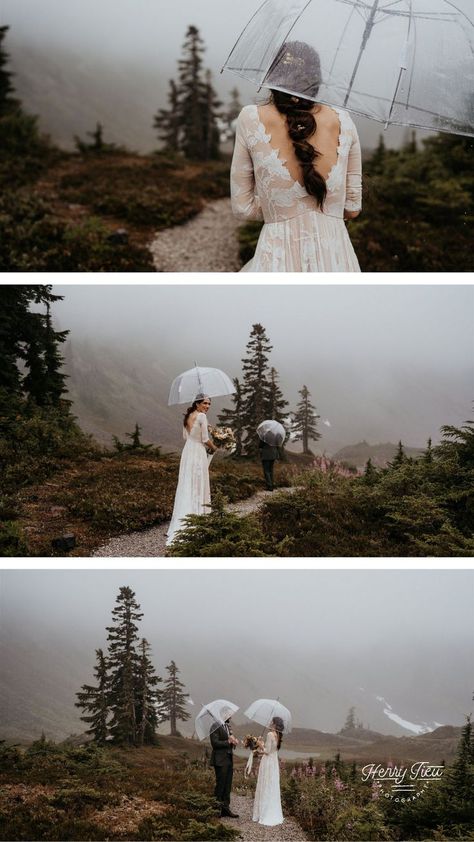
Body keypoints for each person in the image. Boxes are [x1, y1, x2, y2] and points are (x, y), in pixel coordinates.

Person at [230, 41, 362, 272]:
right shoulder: (344, 121)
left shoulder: (250, 119)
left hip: (277, 258)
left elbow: (242, 207)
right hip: (335, 258)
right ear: (316, 80)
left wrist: (279, 205)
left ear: (273, 76)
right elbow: (351, 208)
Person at [166, 393, 218, 546]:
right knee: (197, 481)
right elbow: (204, 440)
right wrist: (215, 447)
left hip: (188, 451)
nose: (207, 406)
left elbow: (187, 436)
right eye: (205, 403)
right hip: (197, 451)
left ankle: (185, 517)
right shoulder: (201, 417)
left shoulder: (188, 416)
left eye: (209, 404)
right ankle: (197, 517)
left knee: (187, 482)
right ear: (197, 404)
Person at [253, 717, 284, 826]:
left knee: (265, 784)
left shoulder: (270, 734)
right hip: (274, 763)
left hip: (268, 762)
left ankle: (263, 813)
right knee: (272, 785)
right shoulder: (278, 735)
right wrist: (262, 743)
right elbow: (273, 750)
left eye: (272, 722)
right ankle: (271, 810)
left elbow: (267, 751)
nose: (270, 723)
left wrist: (259, 743)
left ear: (275, 724)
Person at [210, 716, 240, 818]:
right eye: (229, 715)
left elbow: (230, 742)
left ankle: (226, 809)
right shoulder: (215, 726)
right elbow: (214, 743)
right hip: (220, 760)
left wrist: (234, 742)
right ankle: (216, 809)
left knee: (227, 785)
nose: (231, 717)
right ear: (223, 715)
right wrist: (228, 742)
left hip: (229, 759)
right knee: (220, 784)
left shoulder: (228, 727)